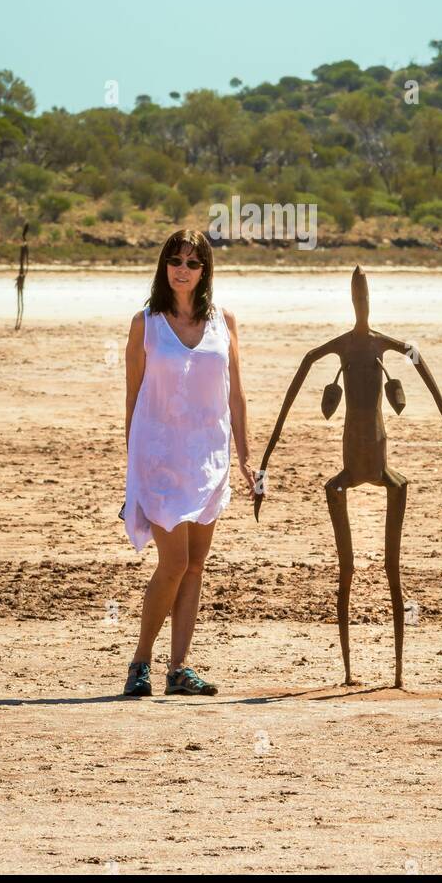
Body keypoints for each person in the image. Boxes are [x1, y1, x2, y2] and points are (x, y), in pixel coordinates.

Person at [121, 228, 255, 697]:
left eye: (193, 263)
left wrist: (245, 458)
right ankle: (140, 663)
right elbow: (133, 397)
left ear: (205, 270)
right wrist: (132, 466)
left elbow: (236, 394)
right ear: (164, 266)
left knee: (196, 565)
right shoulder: (147, 323)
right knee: (173, 563)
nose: (183, 270)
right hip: (159, 457)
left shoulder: (225, 321)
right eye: (175, 261)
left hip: (209, 457)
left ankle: (178, 669)